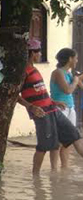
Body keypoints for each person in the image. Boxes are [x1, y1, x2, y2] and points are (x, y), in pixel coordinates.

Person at [18, 39, 83, 173]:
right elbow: (13, 95)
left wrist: (54, 102)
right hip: (41, 113)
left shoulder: (34, 69)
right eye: (39, 52)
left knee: (75, 134)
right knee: (44, 146)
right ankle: (35, 178)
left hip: (53, 109)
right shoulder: (23, 72)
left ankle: (51, 176)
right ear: (32, 53)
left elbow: (41, 92)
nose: (41, 55)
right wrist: (31, 107)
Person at [50, 48, 83, 168]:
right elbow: (68, 90)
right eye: (76, 58)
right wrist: (75, 81)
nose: (77, 61)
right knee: (57, 142)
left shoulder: (68, 73)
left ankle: (65, 169)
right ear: (70, 58)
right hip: (60, 110)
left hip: (70, 108)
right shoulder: (58, 72)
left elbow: (80, 86)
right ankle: (54, 170)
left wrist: (78, 79)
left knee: (67, 142)